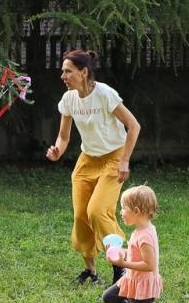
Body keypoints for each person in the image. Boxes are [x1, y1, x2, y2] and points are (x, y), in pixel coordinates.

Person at [45, 49, 142, 284]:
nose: (63, 76)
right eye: (63, 72)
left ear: (84, 72)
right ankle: (91, 272)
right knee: (81, 216)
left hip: (113, 157)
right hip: (87, 160)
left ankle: (121, 263)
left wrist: (124, 160)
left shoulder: (105, 94)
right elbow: (64, 137)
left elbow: (134, 125)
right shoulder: (68, 100)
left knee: (97, 211)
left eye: (68, 71)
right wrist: (57, 150)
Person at [102, 186, 162, 303]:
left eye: (123, 208)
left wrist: (123, 263)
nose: (121, 212)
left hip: (143, 285)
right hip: (132, 279)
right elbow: (136, 255)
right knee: (109, 297)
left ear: (136, 211)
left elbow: (149, 265)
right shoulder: (139, 230)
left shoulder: (145, 236)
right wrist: (122, 253)